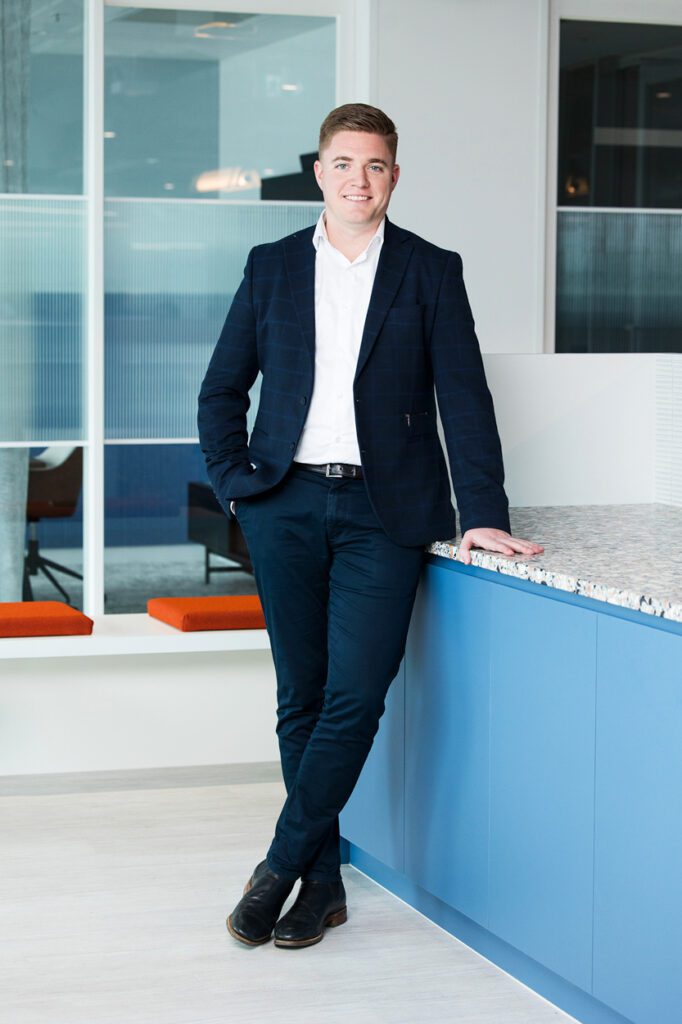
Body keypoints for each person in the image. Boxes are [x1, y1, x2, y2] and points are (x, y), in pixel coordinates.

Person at [197, 103, 543, 951]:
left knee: (354, 698)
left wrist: (484, 514)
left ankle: (278, 866)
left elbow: (463, 399)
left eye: (376, 165)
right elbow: (220, 388)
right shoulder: (272, 266)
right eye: (344, 163)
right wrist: (240, 485)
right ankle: (322, 883)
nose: (359, 180)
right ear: (319, 172)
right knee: (301, 700)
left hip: (386, 515)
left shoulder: (430, 268)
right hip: (284, 504)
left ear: (395, 176)